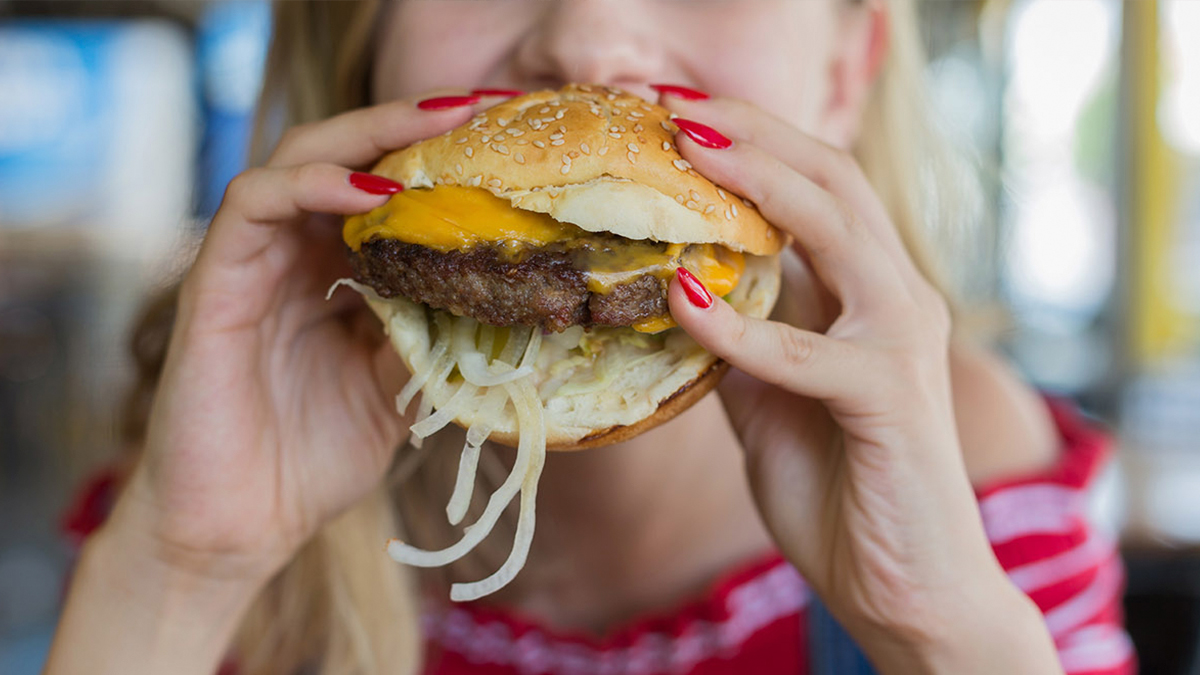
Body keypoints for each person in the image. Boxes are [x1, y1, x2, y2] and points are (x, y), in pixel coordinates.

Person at [44, 1, 1134, 674]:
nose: (585, 35)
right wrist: (182, 573)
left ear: (845, 74)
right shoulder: (194, 480)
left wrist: (939, 638)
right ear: (363, 37)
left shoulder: (988, 475)